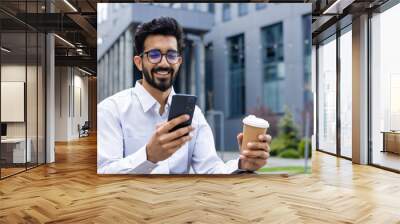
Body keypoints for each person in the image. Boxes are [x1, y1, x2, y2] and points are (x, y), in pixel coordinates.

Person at [97, 17, 271, 174]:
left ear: (179, 62)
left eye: (171, 55)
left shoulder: (193, 114)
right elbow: (103, 172)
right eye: (154, 55)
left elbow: (210, 169)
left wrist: (243, 164)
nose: (164, 63)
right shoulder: (111, 110)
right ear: (139, 62)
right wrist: (149, 155)